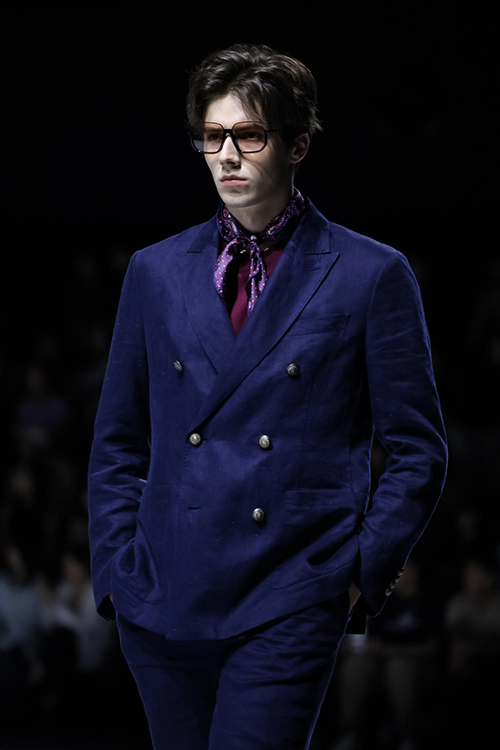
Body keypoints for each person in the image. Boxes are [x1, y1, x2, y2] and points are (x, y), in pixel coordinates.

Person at [87, 43, 448, 750]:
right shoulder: (155, 271)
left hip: (289, 594)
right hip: (161, 596)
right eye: (212, 136)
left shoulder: (371, 273)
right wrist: (114, 571)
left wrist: (355, 576)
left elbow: (417, 450)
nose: (226, 154)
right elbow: (117, 440)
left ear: (298, 144)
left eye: (248, 135)